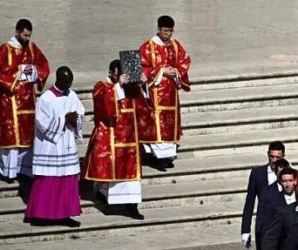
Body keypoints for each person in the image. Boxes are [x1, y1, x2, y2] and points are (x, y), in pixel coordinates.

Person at [0, 19, 50, 182]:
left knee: (27, 138)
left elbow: (44, 66)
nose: (27, 39)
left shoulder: (32, 48)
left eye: (29, 35)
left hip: (28, 101)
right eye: (24, 35)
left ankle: (25, 170)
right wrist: (19, 72)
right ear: (17, 32)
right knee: (12, 138)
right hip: (10, 101)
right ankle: (8, 171)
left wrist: (34, 70)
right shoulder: (4, 49)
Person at [83, 59, 146, 220]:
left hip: (129, 139)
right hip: (111, 136)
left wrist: (143, 84)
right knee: (111, 173)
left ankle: (132, 206)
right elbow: (104, 106)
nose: (123, 78)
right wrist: (117, 86)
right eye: (119, 75)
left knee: (132, 176)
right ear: (112, 72)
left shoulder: (130, 87)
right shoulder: (101, 86)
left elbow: (143, 104)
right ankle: (110, 200)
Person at [24, 66, 85, 228]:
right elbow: (41, 122)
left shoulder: (72, 95)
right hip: (50, 146)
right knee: (48, 182)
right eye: (67, 82)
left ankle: (64, 215)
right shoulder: (46, 98)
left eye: (70, 82)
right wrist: (64, 120)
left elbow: (80, 112)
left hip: (67, 144)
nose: (69, 85)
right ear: (59, 79)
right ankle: (40, 215)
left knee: (67, 181)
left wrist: (76, 120)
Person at [138, 15, 191, 171]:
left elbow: (185, 61)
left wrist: (177, 71)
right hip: (155, 94)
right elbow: (143, 68)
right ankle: (156, 158)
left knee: (169, 125)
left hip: (171, 94)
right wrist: (161, 71)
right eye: (166, 31)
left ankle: (167, 157)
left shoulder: (175, 45)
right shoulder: (148, 47)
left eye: (170, 31)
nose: (168, 34)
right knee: (157, 126)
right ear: (159, 29)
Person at [240, 141, 287, 249]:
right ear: (267, 154)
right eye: (272, 156)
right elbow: (249, 202)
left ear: (284, 156)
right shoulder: (257, 174)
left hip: (285, 227)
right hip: (265, 225)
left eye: (278, 157)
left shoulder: (290, 174)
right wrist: (245, 230)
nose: (274, 160)